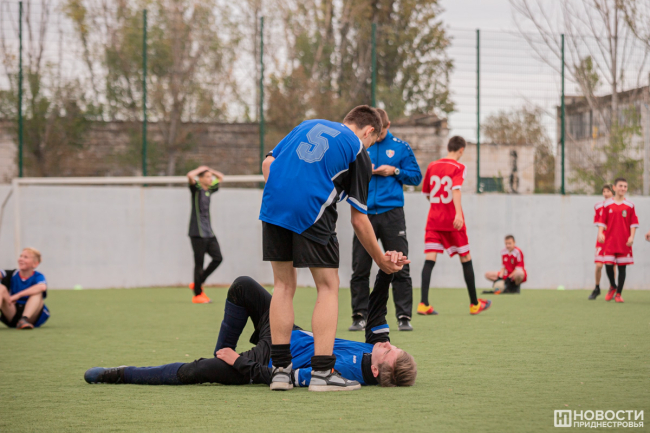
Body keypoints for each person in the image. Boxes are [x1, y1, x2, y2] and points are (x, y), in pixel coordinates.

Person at [84, 261, 417, 389]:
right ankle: (221, 353)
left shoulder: (345, 373)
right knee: (242, 286)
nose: (388, 344)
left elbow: (282, 377)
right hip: (285, 331)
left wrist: (239, 363)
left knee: (195, 372)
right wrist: (388, 270)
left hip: (267, 361)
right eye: (393, 345)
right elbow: (377, 309)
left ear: (377, 371)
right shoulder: (374, 348)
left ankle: (119, 374)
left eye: (389, 352)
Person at [259, 105, 406, 392]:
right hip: (312, 211)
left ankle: (280, 372)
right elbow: (359, 219)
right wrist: (380, 260)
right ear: (370, 131)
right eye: (372, 141)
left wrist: (286, 193)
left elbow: (268, 163)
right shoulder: (358, 150)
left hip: (273, 206)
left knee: (283, 285)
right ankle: (323, 372)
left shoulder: (306, 125)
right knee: (327, 286)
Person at [349, 108, 422, 333]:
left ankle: (403, 316)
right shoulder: (360, 144)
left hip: (392, 214)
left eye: (380, 133)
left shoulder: (401, 147)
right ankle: (360, 315)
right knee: (360, 267)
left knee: (400, 264)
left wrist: (395, 171)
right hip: (364, 213)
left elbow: (416, 177)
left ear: (387, 126)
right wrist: (366, 171)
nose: (376, 137)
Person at [418, 136, 491, 316]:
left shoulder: (432, 165)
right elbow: (455, 190)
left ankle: (423, 304)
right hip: (453, 221)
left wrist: (438, 207)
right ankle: (474, 304)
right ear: (461, 150)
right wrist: (458, 213)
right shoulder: (459, 167)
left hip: (434, 220)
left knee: (430, 259)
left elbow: (427, 193)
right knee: (465, 257)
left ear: (448, 147)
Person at [596, 178, 639, 303]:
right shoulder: (607, 204)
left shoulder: (630, 205)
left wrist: (631, 237)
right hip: (610, 241)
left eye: (625, 186)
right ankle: (613, 286)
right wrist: (600, 233)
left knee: (622, 268)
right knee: (608, 265)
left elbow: (633, 223)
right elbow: (602, 220)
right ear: (614, 188)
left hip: (624, 242)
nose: (623, 188)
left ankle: (618, 294)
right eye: (621, 186)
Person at [187, 165, 225, 304]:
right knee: (199, 263)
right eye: (207, 177)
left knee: (218, 258)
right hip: (197, 233)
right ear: (201, 179)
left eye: (211, 177)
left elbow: (221, 177)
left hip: (209, 233)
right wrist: (200, 169)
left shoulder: (209, 190)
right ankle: (197, 295)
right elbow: (190, 176)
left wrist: (210, 170)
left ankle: (198, 282)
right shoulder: (196, 189)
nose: (210, 179)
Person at [0, 248, 50, 330]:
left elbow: (42, 287)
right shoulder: (11, 274)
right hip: (12, 313)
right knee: (1, 288)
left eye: (26, 257)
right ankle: (20, 321)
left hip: (31, 318)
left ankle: (23, 320)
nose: (21, 259)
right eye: (21, 256)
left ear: (35, 264)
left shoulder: (38, 276)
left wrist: (18, 295)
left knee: (38, 292)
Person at [588, 184, 614, 300]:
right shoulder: (598, 206)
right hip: (602, 239)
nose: (606, 193)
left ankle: (612, 288)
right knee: (599, 265)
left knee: (612, 265)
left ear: (613, 192)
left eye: (608, 191)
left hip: (613, 239)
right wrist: (602, 232)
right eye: (604, 191)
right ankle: (597, 288)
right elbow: (598, 222)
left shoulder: (617, 205)